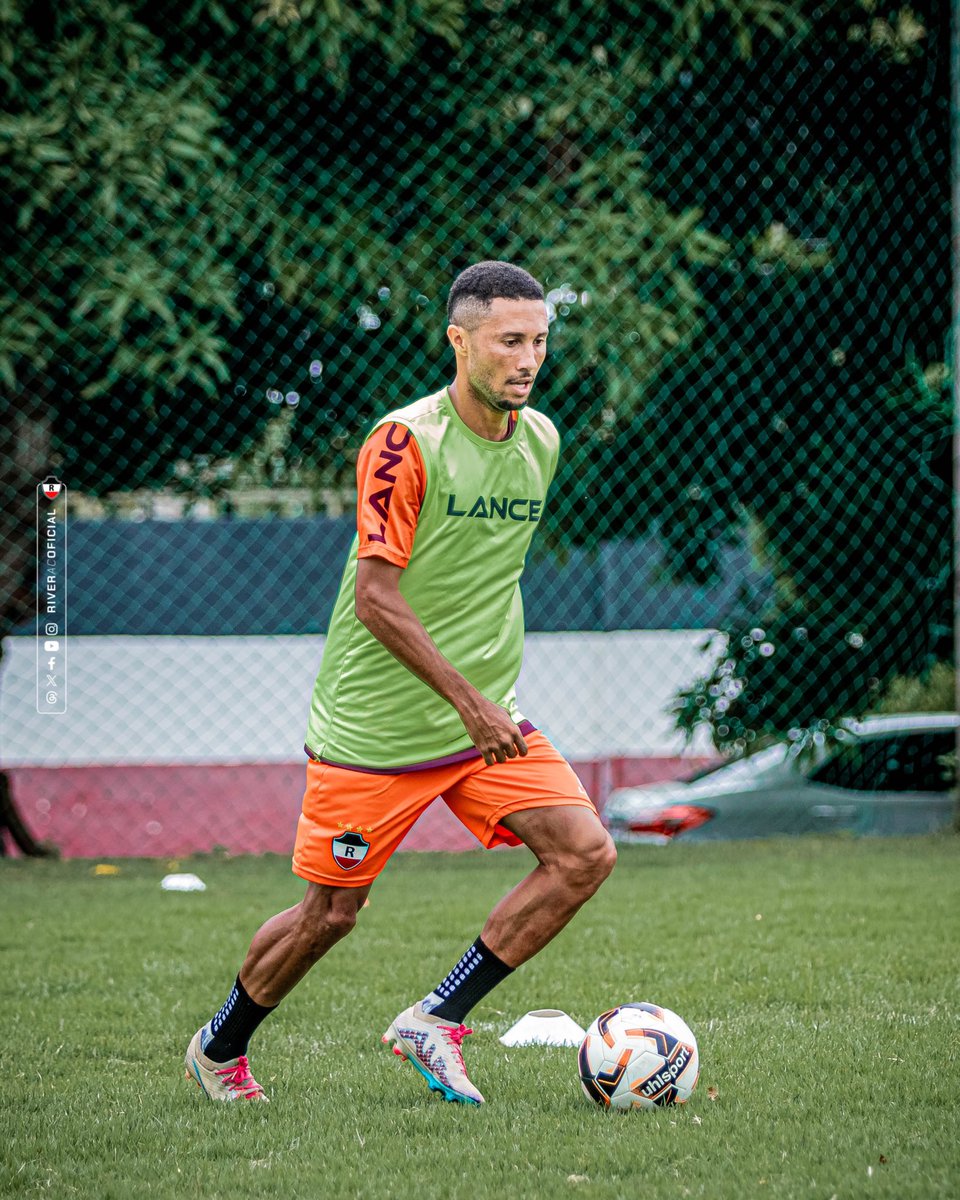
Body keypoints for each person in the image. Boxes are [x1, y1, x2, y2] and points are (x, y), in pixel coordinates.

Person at [184, 260, 617, 1105]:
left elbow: (480, 578)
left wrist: (483, 702)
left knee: (583, 854)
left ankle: (436, 1019)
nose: (528, 360)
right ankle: (219, 1048)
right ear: (460, 341)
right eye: (509, 341)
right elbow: (376, 598)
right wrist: (469, 700)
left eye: (539, 341)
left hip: (484, 720)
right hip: (376, 730)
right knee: (330, 917)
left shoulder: (541, 440)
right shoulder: (403, 442)